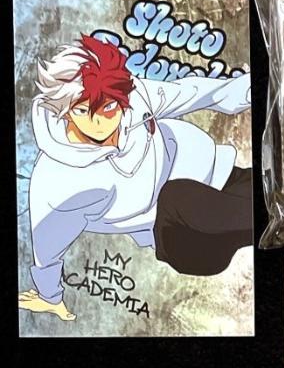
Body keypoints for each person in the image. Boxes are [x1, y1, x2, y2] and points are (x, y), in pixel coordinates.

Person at [19, 35, 252, 322]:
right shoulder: (57, 182)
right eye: (82, 110)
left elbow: (191, 93)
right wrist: (50, 297)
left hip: (222, 181)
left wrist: (250, 89)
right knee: (174, 196)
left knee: (270, 198)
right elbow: (46, 245)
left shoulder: (134, 98)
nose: (101, 122)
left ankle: (278, 222)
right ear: (64, 109)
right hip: (186, 239)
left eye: (109, 107)